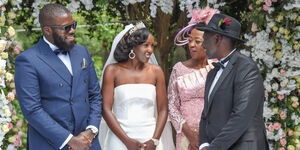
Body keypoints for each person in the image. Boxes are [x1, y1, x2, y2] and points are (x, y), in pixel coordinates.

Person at [14, 4, 102, 150]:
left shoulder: (82, 52)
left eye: (73, 25)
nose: (72, 30)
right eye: (66, 27)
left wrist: (90, 131)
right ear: (47, 30)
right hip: (50, 144)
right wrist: (70, 140)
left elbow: (94, 96)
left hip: (88, 143)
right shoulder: (28, 60)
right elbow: (32, 109)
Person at [198, 14, 269, 150]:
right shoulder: (212, 73)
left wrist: (214, 148)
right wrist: (204, 144)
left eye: (205, 39)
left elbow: (241, 116)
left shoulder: (246, 68)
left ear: (217, 39)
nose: (203, 44)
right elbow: (206, 114)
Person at [99, 22, 175, 150]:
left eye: (152, 46)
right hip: (119, 138)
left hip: (150, 137)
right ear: (133, 47)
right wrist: (126, 141)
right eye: (146, 45)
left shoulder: (156, 71)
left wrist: (155, 140)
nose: (150, 50)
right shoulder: (112, 71)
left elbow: (163, 109)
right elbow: (106, 109)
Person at [169, 8, 219, 150]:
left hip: (212, 134)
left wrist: (204, 134)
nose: (191, 45)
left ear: (208, 42)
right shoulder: (178, 69)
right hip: (185, 137)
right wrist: (191, 136)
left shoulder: (217, 67)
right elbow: (172, 106)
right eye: (190, 40)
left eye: (197, 41)